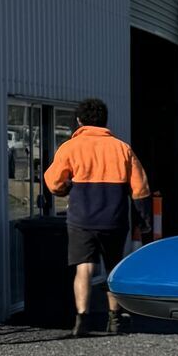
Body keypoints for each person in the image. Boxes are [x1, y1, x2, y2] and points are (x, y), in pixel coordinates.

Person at [43, 99, 151, 337]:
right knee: (114, 268)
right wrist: (144, 220)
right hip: (114, 218)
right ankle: (115, 319)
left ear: (79, 121)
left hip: (81, 219)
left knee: (84, 268)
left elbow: (53, 183)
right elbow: (141, 189)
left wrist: (66, 189)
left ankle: (82, 319)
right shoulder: (122, 148)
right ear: (105, 121)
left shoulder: (70, 148)